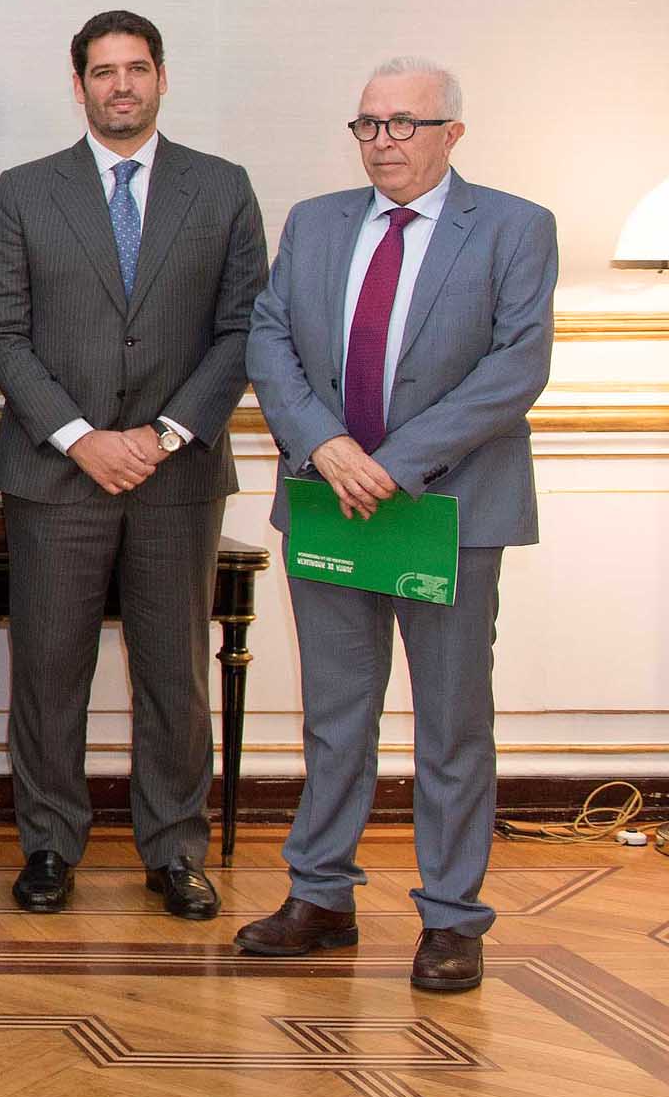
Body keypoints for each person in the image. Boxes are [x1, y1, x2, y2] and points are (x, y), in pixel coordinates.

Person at [233, 59, 554, 994]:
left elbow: (516, 365)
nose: (383, 141)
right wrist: (325, 445)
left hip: (446, 509)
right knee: (335, 716)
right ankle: (320, 896)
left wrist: (394, 463)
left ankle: (451, 917)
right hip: (328, 497)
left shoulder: (513, 226)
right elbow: (268, 339)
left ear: (452, 133)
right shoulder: (315, 222)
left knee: (451, 724)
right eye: (368, 124)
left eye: (404, 123)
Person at [0, 9, 266, 920]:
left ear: (161, 77)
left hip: (175, 476)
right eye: (102, 71)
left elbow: (241, 328)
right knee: (47, 668)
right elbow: (2, 332)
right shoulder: (25, 191)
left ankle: (174, 850)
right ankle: (49, 845)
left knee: (173, 673)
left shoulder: (221, 188)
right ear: (78, 86)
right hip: (55, 474)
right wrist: (81, 437)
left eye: (136, 68)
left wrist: (164, 433)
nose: (120, 85)